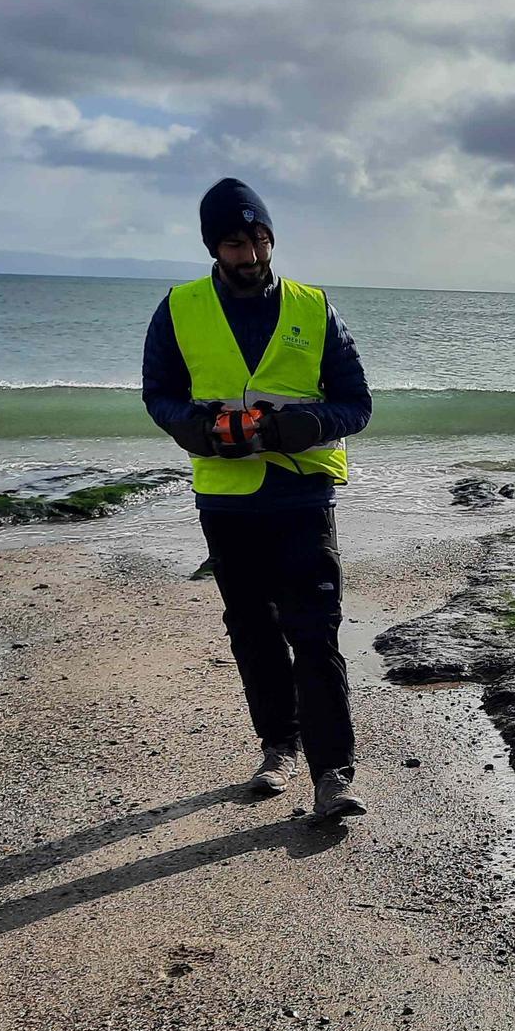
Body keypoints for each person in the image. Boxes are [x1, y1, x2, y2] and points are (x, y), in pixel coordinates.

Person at [141, 178, 371, 819]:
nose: (252, 255)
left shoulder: (313, 307)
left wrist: (304, 425)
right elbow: (157, 393)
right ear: (214, 248)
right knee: (251, 628)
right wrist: (195, 427)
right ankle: (278, 746)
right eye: (237, 244)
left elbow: (357, 403)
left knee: (315, 630)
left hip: (302, 492)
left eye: (261, 239)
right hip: (226, 499)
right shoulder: (180, 308)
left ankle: (334, 775)